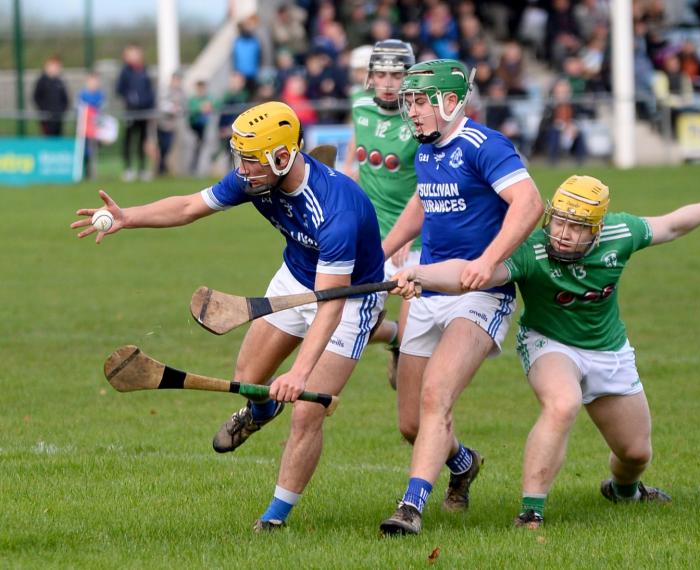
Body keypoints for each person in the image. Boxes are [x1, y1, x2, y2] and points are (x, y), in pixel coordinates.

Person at [70, 101, 386, 532]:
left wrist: (300, 373)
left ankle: (274, 518)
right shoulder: (255, 178)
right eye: (240, 157)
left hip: (348, 297)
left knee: (307, 411)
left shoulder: (336, 211)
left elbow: (329, 302)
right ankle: (261, 412)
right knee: (249, 375)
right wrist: (129, 217)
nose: (241, 169)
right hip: (296, 277)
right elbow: (188, 207)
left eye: (250, 160)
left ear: (282, 157)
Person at [390, 175, 700, 530]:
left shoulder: (621, 233)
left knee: (635, 453)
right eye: (560, 221)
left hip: (609, 350)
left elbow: (672, 225)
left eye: (578, 227)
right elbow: (472, 273)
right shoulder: (531, 249)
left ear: (597, 229)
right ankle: (531, 513)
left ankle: (624, 491)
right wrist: (422, 274)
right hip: (548, 342)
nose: (564, 233)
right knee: (563, 403)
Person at [378, 59, 543, 535]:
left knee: (437, 395)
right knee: (412, 423)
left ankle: (410, 507)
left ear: (451, 102)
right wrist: (379, 254)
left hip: (480, 294)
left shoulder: (485, 145)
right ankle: (464, 463)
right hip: (429, 287)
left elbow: (530, 202)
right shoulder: (426, 149)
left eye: (419, 102)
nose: (411, 112)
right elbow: (422, 203)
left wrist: (488, 261)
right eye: (408, 103)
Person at [343, 39, 419, 388]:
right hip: (371, 235)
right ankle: (395, 338)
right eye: (381, 74)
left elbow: (430, 181)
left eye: (397, 75)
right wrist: (346, 174)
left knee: (416, 342)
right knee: (349, 322)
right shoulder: (360, 106)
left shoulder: (420, 117)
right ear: (370, 76)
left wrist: (406, 235)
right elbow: (356, 147)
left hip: (414, 239)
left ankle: (405, 345)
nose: (388, 83)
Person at [116, 44, 155, 182]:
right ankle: (128, 169)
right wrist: (130, 98)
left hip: (144, 112)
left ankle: (142, 169)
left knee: (142, 141)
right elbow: (119, 89)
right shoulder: (125, 72)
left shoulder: (144, 70)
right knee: (129, 140)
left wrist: (150, 107)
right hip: (131, 112)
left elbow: (150, 91)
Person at [156, 72, 185, 176]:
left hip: (173, 125)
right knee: (163, 146)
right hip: (163, 124)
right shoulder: (165, 91)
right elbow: (161, 105)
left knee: (169, 146)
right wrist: (172, 108)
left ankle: (164, 167)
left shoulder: (182, 92)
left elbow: (183, 107)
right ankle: (161, 167)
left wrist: (178, 109)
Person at [33, 56, 69, 137]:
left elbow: (65, 99)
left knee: (58, 138)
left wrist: (62, 110)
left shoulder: (59, 81)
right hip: (46, 118)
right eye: (54, 66)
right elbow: (36, 97)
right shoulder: (42, 81)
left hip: (58, 117)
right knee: (48, 138)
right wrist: (44, 110)